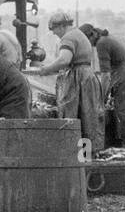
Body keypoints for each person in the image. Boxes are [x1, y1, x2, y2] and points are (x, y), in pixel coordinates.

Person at [36, 12, 104, 154]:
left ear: (60, 26)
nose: (55, 34)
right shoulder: (78, 34)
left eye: (54, 31)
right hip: (87, 76)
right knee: (88, 119)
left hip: (78, 79)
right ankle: (87, 157)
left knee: (72, 118)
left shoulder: (68, 38)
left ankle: (76, 158)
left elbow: (64, 60)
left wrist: (45, 70)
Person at [80, 23, 125, 146]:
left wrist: (101, 98)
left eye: (87, 40)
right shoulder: (106, 39)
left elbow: (105, 75)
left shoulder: (102, 43)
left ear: (92, 35)